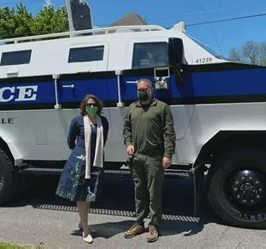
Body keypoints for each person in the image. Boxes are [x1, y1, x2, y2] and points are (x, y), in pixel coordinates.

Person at [122, 78, 176, 243]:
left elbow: (169, 133)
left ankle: (154, 225)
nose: (142, 92)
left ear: (152, 90)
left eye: (145, 89)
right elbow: (126, 128)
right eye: (139, 89)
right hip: (136, 157)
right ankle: (139, 222)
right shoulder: (132, 108)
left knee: (154, 193)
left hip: (154, 158)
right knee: (139, 192)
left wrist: (168, 154)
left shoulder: (161, 107)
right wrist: (129, 143)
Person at [55, 94, 109, 244]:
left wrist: (94, 153)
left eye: (94, 105)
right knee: (81, 194)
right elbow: (70, 141)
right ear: (84, 107)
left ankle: (82, 222)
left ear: (98, 106)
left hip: (95, 161)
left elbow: (104, 139)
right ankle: (85, 227)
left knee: (89, 193)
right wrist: (81, 152)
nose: (91, 107)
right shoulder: (77, 121)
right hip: (80, 163)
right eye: (88, 105)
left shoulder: (103, 121)